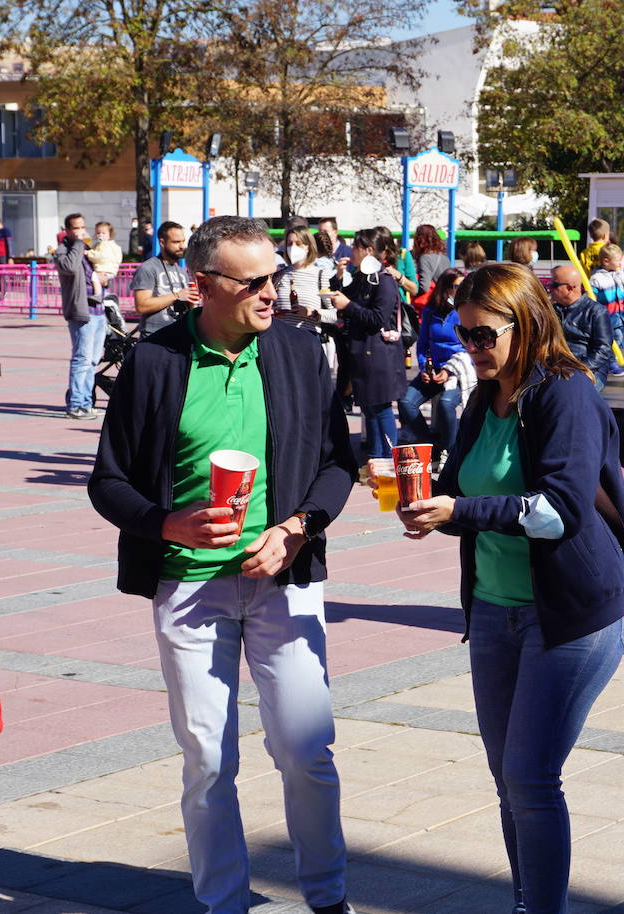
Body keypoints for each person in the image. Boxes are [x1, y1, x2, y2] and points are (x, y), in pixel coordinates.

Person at [88, 215, 357, 914]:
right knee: (209, 760)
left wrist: (297, 528)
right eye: (256, 281)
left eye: (277, 275)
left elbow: (337, 465)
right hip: (189, 588)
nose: (274, 291)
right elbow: (108, 481)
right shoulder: (153, 362)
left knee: (306, 750)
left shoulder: (300, 352)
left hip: (283, 582)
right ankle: (224, 904)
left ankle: (328, 899)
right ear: (203, 285)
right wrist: (163, 522)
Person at [392, 262, 624, 914]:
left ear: (525, 323)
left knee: (531, 778)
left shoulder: (566, 393)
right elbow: (468, 492)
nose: (471, 349)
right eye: (463, 335)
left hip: (570, 615)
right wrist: (429, 508)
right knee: (509, 783)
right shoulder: (481, 397)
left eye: (483, 336)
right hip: (495, 613)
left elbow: (558, 512)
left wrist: (459, 513)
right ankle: (528, 903)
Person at [328, 227, 406, 460]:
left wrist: (348, 306)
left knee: (380, 409)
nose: (352, 250)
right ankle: (375, 458)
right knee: (370, 408)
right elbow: (345, 296)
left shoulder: (384, 281)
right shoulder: (363, 277)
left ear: (369, 250)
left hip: (380, 356)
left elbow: (377, 319)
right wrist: (339, 277)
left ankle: (387, 460)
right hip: (364, 354)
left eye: (356, 246)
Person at [397, 268, 473, 459]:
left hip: (458, 370)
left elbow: (470, 347)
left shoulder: (467, 310)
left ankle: (451, 450)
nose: (462, 290)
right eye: (457, 286)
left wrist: (448, 370)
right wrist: (424, 368)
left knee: (446, 404)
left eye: (464, 286)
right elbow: (423, 344)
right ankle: (430, 445)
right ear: (446, 289)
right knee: (406, 402)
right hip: (434, 369)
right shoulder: (431, 311)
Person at [56, 213, 105, 420]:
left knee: (93, 361)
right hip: (80, 312)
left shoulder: (87, 251)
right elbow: (68, 267)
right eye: (76, 228)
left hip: (98, 310)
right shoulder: (63, 251)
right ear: (67, 230)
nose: (81, 231)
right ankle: (75, 404)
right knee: (82, 359)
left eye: (83, 227)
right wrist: (77, 243)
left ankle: (86, 402)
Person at [549, 263, 614, 389]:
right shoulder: (551, 311)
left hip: (588, 370)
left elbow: (603, 350)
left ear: (569, 288)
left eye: (554, 285)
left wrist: (578, 369)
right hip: (556, 368)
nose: (549, 289)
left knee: (570, 391)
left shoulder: (596, 312)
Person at [132, 221, 198, 336]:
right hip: (154, 337)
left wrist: (193, 302)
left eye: (183, 241)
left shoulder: (182, 272)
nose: (182, 246)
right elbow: (141, 306)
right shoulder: (148, 268)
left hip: (179, 334)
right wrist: (177, 295)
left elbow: (188, 305)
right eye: (176, 242)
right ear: (162, 242)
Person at [275, 225, 336, 339]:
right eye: (289, 244)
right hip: (281, 338)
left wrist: (312, 313)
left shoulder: (321, 275)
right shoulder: (280, 274)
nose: (293, 248)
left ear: (308, 247)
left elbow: (335, 315)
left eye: (298, 244)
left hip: (308, 338)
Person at [589, 243, 624, 377]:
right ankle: (611, 362)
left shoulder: (621, 275)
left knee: (618, 337)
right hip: (608, 315)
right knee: (613, 338)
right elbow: (592, 295)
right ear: (606, 261)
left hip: (621, 314)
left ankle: (611, 355)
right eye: (617, 260)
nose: (620, 262)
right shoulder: (597, 279)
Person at [86, 221, 124, 298]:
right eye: (98, 233)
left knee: (94, 276)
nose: (100, 235)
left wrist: (88, 253)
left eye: (103, 233)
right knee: (102, 282)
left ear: (109, 235)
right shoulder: (105, 245)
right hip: (110, 270)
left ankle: (98, 294)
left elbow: (100, 256)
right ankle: (106, 295)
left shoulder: (105, 245)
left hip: (105, 269)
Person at [412, 223, 450, 295]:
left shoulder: (425, 258)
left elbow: (424, 287)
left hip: (431, 301)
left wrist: (412, 290)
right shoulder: (444, 257)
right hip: (443, 298)